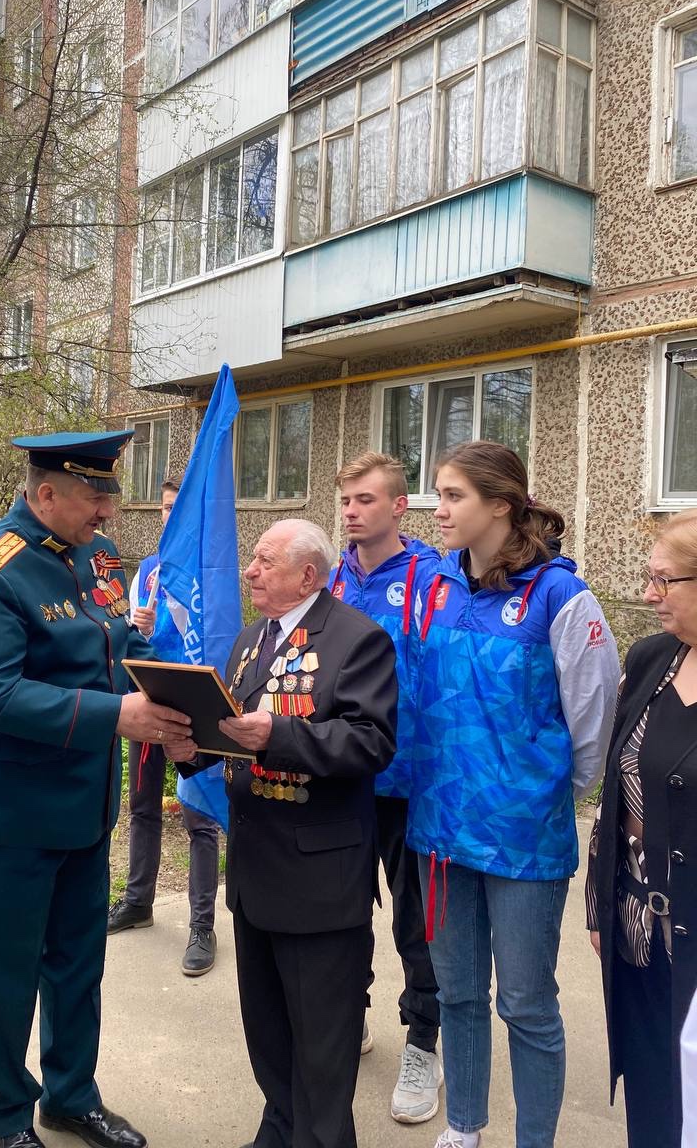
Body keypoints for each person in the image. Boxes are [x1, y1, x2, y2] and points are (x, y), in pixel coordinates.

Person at [0, 430, 192, 1148]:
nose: (108, 511)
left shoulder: (98, 556)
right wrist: (121, 715)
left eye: (110, 495)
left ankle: (71, 1096)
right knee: (6, 977)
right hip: (15, 816)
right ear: (45, 493)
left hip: (86, 806)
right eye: (94, 496)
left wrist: (181, 697)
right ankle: (5, 1117)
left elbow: (121, 647)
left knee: (78, 965)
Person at [407, 440, 619, 1148]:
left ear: (500, 504)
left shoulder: (561, 595)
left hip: (522, 839)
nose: (437, 511)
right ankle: (464, 1126)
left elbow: (594, 721)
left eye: (452, 496)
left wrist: (538, 791)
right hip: (439, 831)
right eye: (436, 495)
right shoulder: (435, 583)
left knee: (527, 1003)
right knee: (459, 993)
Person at [171, 518, 398, 1148]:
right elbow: (230, 727)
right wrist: (188, 747)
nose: (250, 572)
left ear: (308, 574)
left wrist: (281, 736)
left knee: (323, 1051)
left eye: (265, 562)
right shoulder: (252, 639)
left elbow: (371, 742)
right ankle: (278, 1131)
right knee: (267, 1031)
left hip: (320, 880)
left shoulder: (358, 640)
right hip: (257, 872)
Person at [330, 451, 443, 1122]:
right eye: (346, 500)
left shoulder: (434, 578)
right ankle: (352, 1015)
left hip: (411, 783)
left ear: (399, 506)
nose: (351, 511)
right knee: (340, 914)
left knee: (415, 924)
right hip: (342, 776)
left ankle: (424, 1041)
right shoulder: (332, 578)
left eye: (365, 500)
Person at [586, 508, 697, 1147]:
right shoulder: (653, 658)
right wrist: (603, 902)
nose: (649, 596)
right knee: (653, 1094)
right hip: (638, 924)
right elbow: (615, 786)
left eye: (664, 582)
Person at [108, 474, 221, 976]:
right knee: (143, 803)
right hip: (151, 697)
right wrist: (140, 627)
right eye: (164, 507)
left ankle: (202, 924)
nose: (169, 516)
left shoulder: (209, 568)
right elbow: (133, 629)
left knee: (198, 817)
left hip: (195, 701)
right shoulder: (150, 568)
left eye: (179, 508)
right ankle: (138, 900)